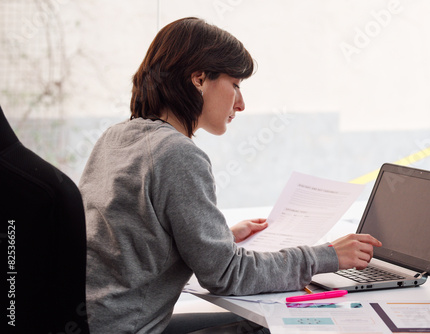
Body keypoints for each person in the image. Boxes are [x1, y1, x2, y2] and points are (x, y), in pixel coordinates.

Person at [79, 17, 382, 334]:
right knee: (265, 326)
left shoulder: (115, 138)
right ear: (198, 79)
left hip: (96, 323)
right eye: (235, 85)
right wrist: (326, 256)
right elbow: (227, 275)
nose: (241, 103)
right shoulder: (177, 154)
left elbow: (130, 241)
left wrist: (217, 237)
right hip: (131, 329)